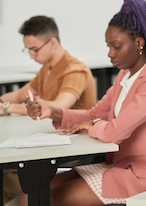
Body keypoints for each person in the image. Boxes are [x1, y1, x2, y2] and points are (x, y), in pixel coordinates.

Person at [26, 0, 146, 205]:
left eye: (116, 46)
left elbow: (115, 131)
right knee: (33, 193)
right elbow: (95, 114)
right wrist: (53, 111)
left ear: (139, 43)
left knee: (52, 198)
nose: (109, 54)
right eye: (108, 46)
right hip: (123, 164)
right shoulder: (125, 75)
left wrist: (93, 125)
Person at [2, 15, 97, 206]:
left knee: (15, 181)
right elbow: (22, 94)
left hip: (71, 147)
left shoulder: (74, 70)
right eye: (27, 50)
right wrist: (4, 101)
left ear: (52, 42)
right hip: (48, 141)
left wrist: (7, 107)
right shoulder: (47, 68)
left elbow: (58, 106)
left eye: (34, 49)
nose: (31, 55)